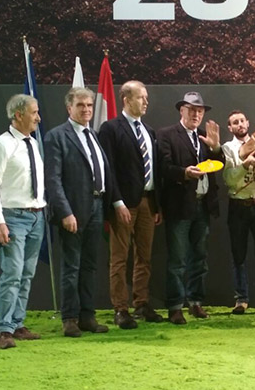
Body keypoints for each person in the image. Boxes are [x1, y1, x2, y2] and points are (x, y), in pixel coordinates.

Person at [44, 87, 115, 337]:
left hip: (97, 206)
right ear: (69, 108)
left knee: (89, 266)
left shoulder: (92, 134)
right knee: (71, 267)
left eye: (89, 105)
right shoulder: (56, 136)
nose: (86, 109)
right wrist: (65, 212)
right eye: (80, 105)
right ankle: (70, 319)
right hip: (73, 211)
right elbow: (53, 180)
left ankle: (87, 317)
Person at [98, 80, 164, 329]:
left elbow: (155, 169)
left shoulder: (149, 131)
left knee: (144, 257)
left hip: (148, 201)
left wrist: (156, 205)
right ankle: (120, 309)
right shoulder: (110, 129)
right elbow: (108, 169)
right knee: (119, 258)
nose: (146, 101)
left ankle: (142, 304)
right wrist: (117, 202)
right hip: (124, 204)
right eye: (140, 97)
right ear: (126, 100)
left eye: (146, 97)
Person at [0, 94, 46, 349]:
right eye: (34, 112)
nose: (38, 118)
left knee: (26, 274)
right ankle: (4, 330)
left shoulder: (33, 143)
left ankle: (17, 324)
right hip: (13, 217)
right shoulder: (1, 145)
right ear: (18, 115)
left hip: (36, 216)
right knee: (12, 274)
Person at [157, 91, 224, 325]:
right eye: (192, 110)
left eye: (200, 111)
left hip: (203, 205)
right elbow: (164, 167)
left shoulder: (205, 136)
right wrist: (184, 173)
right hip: (179, 206)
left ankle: (195, 301)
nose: (196, 114)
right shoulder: (166, 135)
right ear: (181, 110)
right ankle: (175, 306)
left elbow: (220, 163)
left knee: (200, 258)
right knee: (177, 259)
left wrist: (216, 148)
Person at [221, 110, 255, 317]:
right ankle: (241, 299)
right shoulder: (228, 148)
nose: (240, 124)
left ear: (248, 123)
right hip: (238, 206)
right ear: (230, 128)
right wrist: (245, 165)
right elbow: (229, 179)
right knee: (238, 255)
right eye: (235, 122)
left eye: (242, 121)